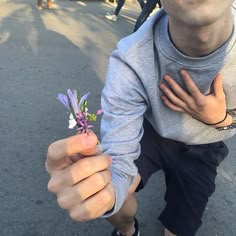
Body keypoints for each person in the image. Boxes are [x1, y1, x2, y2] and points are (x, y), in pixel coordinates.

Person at [45, 1, 236, 236]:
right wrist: (100, 188)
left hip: (204, 145)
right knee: (111, 203)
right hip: (153, 133)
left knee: (180, 229)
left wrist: (220, 119)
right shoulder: (130, 58)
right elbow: (119, 161)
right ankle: (128, 230)